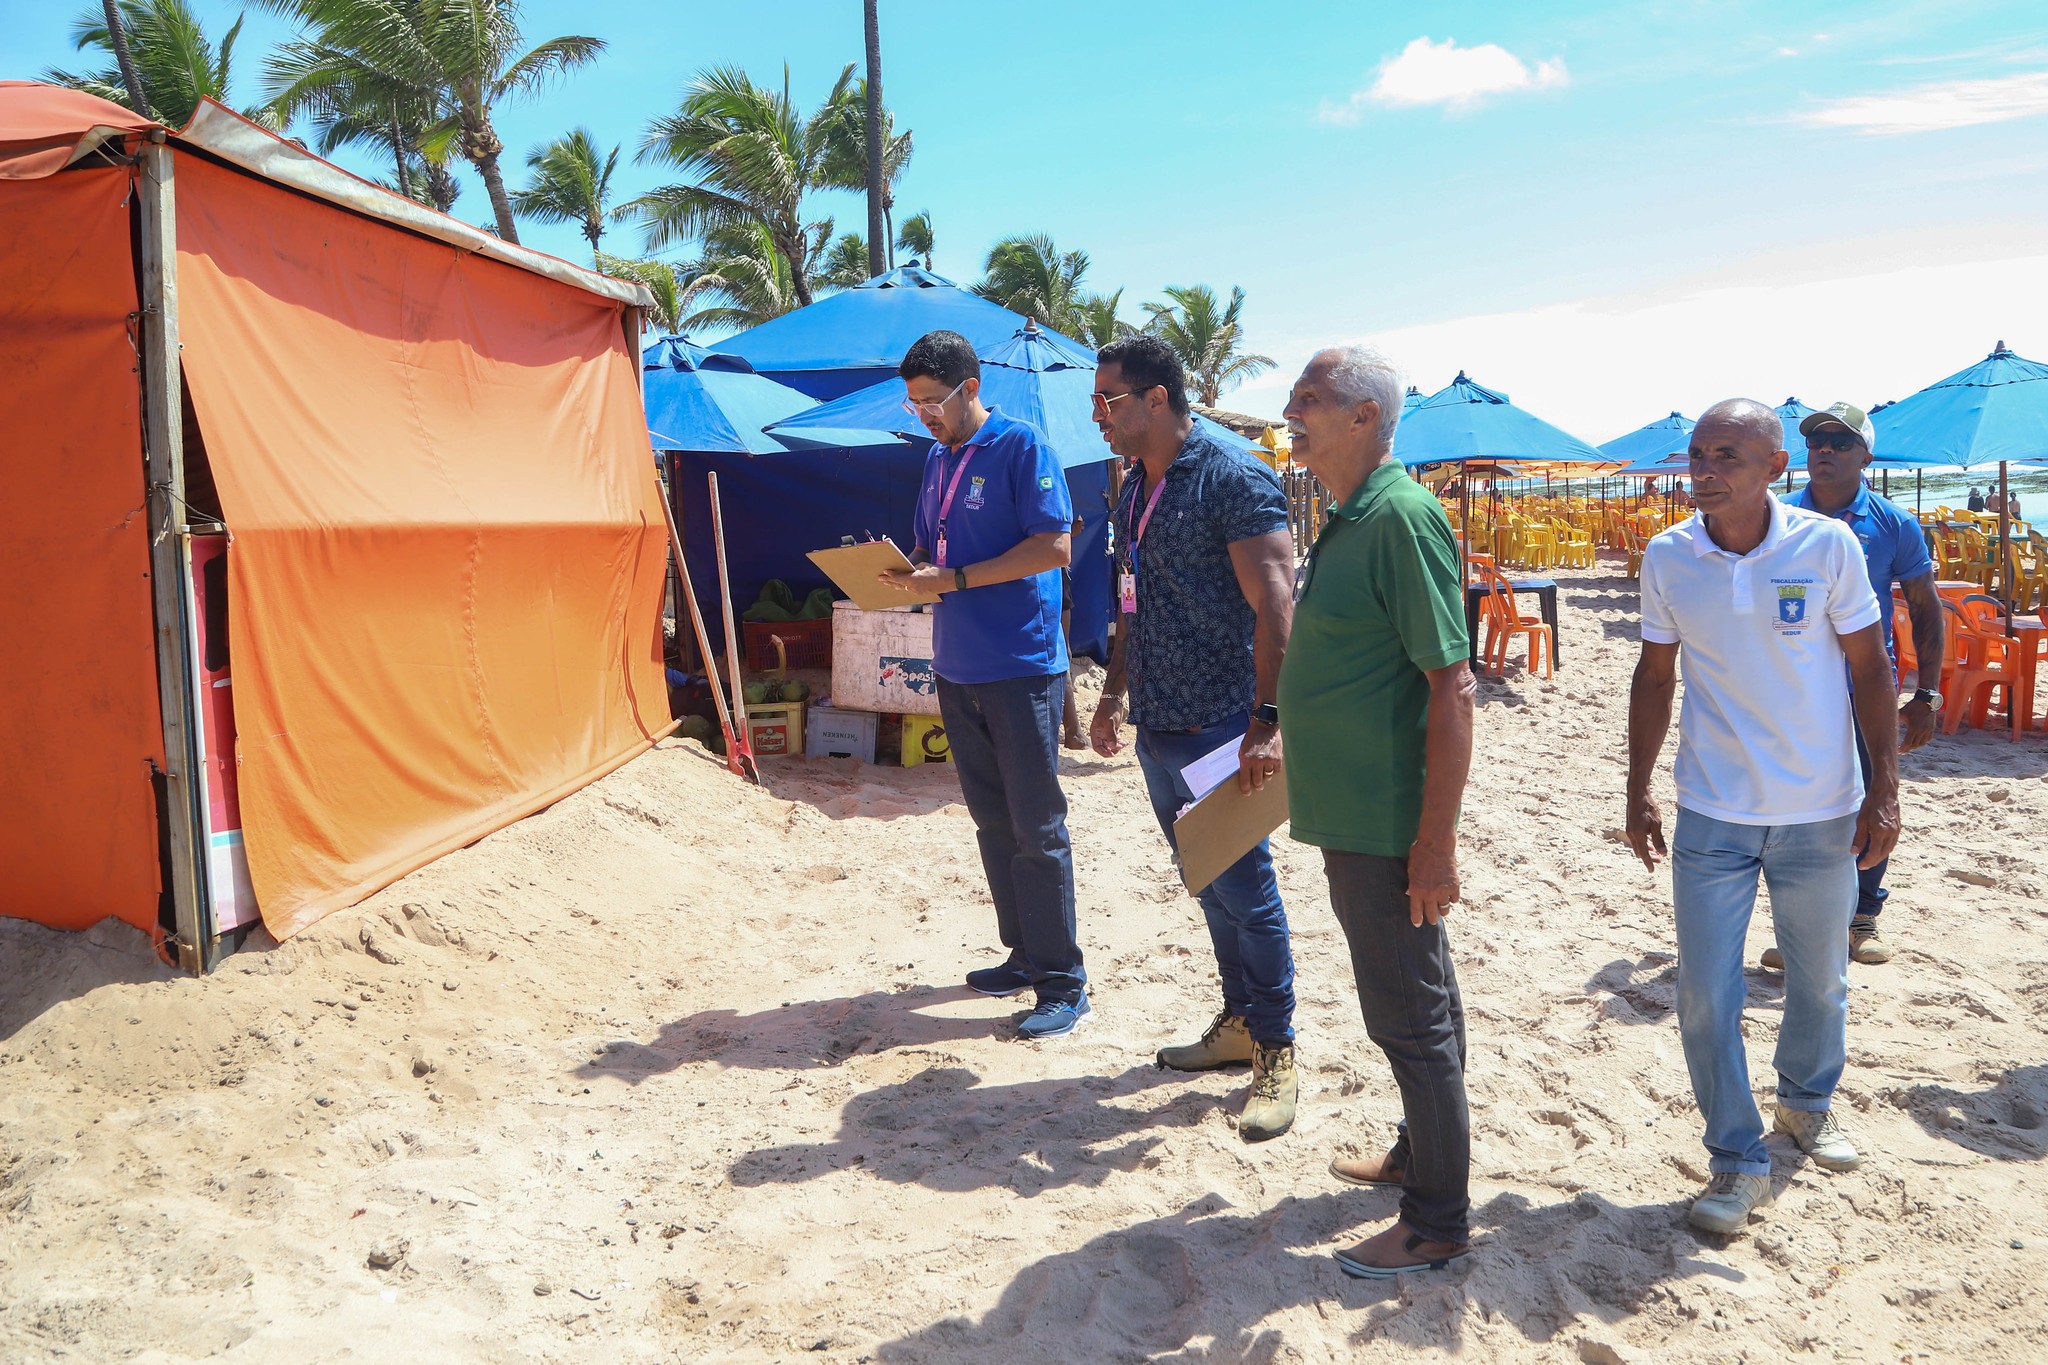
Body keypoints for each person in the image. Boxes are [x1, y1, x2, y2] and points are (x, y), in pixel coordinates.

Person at [1626, 399, 1901, 1236]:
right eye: (1697, 455)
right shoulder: (1670, 555)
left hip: (1821, 807)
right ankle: (1736, 1155)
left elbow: (1869, 666)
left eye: (1728, 455)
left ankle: (1807, 1103)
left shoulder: (1828, 546)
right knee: (1705, 992)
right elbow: (1654, 673)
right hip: (1711, 806)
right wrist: (1636, 785)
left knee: (1819, 978)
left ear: (1775, 466)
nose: (1706, 470)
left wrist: (1883, 787)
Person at [1276, 346, 1477, 1277]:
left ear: (1364, 416)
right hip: (1352, 812)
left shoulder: (1400, 517)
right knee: (1420, 999)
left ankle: (1435, 1219)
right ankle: (1419, 1152)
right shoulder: (1347, 514)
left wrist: (1433, 845)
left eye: (1310, 398)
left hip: (1386, 822)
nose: (1290, 409)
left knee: (1409, 1016)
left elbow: (1453, 687)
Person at [1086, 334, 1300, 1141]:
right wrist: (1113, 692)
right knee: (1206, 881)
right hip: (1160, 721)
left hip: (1225, 723)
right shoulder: (1136, 483)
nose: (1098, 415)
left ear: (1158, 399)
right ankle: (1240, 1021)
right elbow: (1133, 599)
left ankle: (1276, 1047)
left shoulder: (1230, 471)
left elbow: (1278, 601)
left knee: (1247, 887)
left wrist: (1269, 721)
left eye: (1109, 400)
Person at [877, 330, 1088, 1040]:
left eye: (932, 402)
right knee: (992, 823)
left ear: (970, 389)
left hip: (1021, 667)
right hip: (957, 664)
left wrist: (955, 579)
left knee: (1038, 826)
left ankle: (1065, 982)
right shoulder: (937, 460)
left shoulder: (1022, 448)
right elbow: (930, 550)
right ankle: (1025, 954)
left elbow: (1054, 545)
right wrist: (894, 569)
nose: (925, 416)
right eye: (914, 406)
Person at [1757, 403, 1943, 968]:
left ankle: (1862, 918)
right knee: (1794, 811)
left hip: (1868, 691)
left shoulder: (1894, 524)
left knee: (1871, 800)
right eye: (1817, 442)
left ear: (1866, 454)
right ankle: (1804, 929)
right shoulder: (1776, 515)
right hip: (1795, 695)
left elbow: (1925, 610)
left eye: (1840, 441)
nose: (1826, 451)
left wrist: (1928, 695)